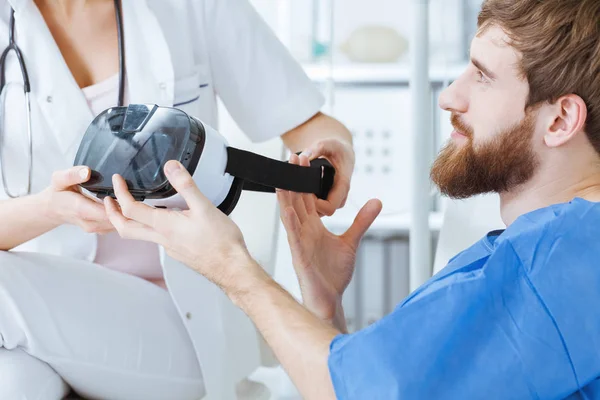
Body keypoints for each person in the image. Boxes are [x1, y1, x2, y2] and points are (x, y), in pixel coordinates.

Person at [105, 0, 600, 398]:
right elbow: (362, 380)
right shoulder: (545, 248)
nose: (450, 96)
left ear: (560, 121)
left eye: (482, 76)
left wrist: (234, 270)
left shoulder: (565, 258)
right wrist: (324, 307)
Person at [0, 0, 354, 398]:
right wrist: (49, 208)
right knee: (13, 381)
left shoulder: (195, 7)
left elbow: (307, 123)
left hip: (182, 316)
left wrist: (330, 154)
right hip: (44, 311)